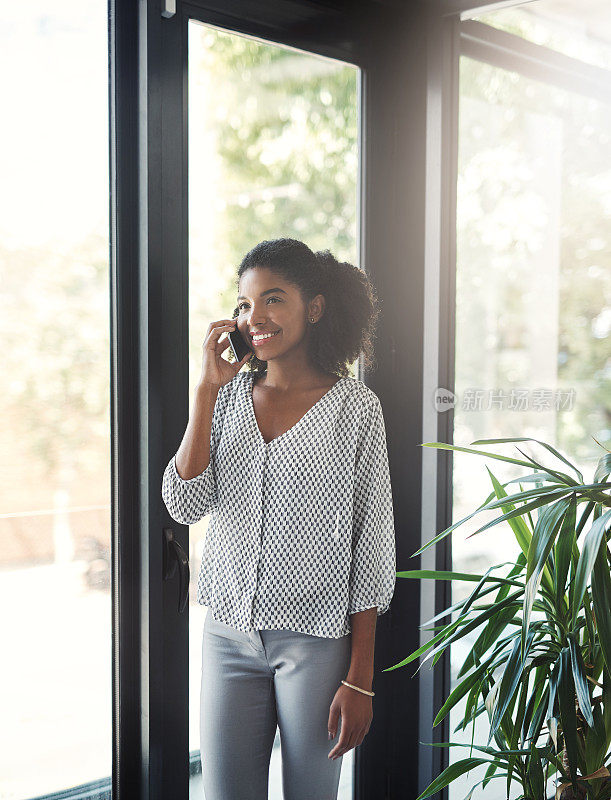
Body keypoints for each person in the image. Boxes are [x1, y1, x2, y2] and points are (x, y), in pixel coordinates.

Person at [161, 238, 396, 800]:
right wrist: (205, 393)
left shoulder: (357, 410)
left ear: (313, 307)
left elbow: (373, 549)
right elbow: (184, 503)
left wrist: (359, 676)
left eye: (272, 299)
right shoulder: (228, 398)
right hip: (227, 638)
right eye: (244, 305)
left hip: (316, 644)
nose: (254, 317)